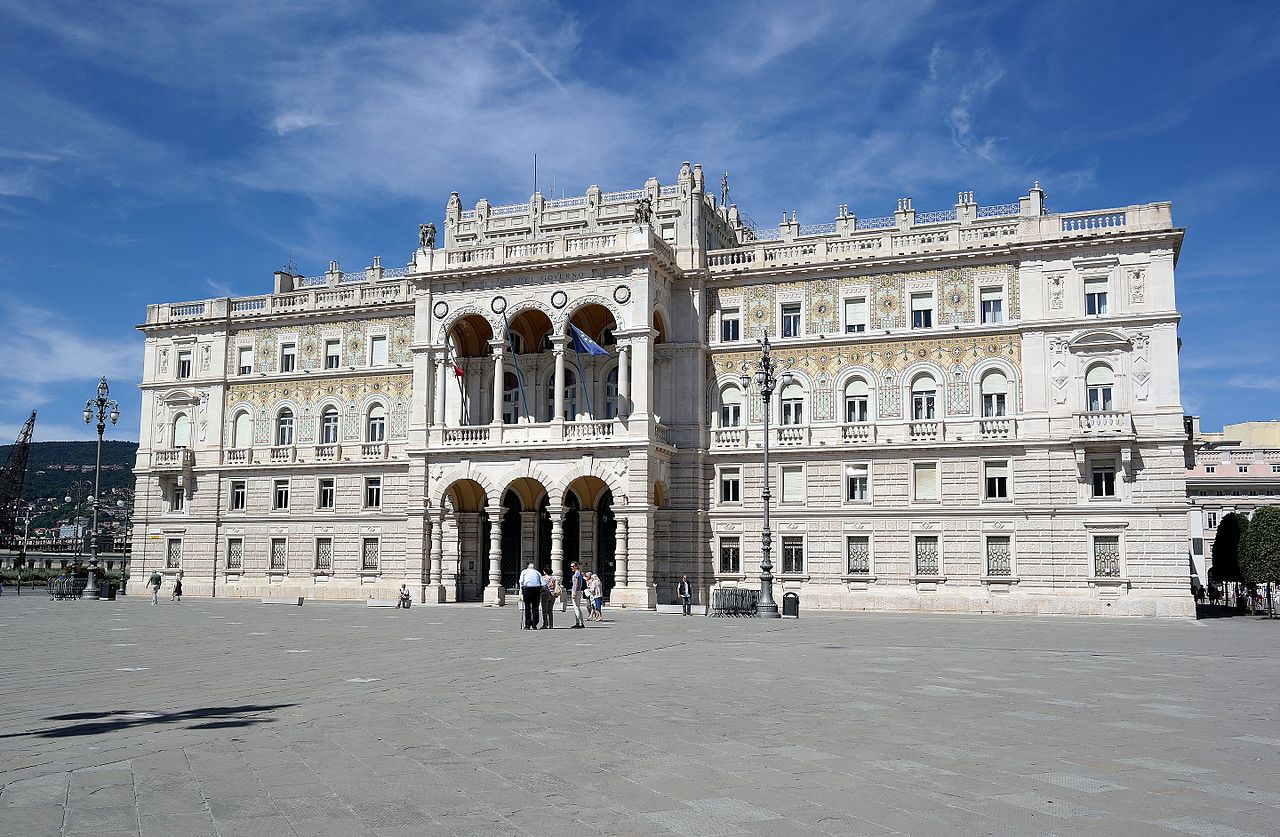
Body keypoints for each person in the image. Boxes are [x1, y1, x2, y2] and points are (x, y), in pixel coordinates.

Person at [518, 562, 543, 630]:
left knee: (527, 607)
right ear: (534, 567)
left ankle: (527, 625)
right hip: (536, 589)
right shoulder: (537, 572)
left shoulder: (524, 572)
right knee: (535, 607)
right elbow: (543, 583)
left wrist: (521, 592)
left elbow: (521, 581)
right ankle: (534, 624)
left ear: (528, 567)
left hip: (527, 589)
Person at [569, 562, 586, 628]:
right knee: (577, 607)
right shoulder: (580, 573)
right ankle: (580, 623)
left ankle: (578, 623)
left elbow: (576, 584)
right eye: (571, 566)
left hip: (576, 591)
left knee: (576, 608)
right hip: (579, 591)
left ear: (576, 566)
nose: (571, 568)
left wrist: (574, 592)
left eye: (572, 566)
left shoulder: (577, 574)